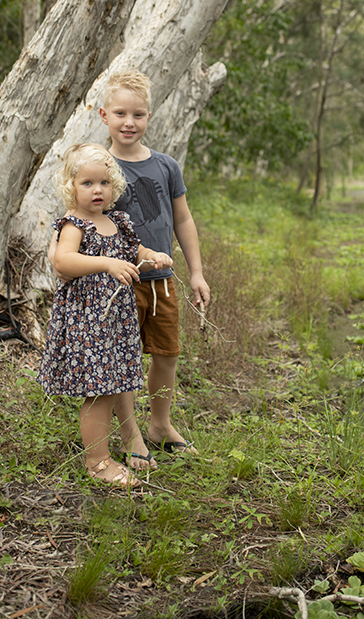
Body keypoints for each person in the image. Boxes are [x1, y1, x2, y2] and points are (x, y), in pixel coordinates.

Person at [37, 142, 172, 489]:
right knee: (98, 392)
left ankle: (106, 453)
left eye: (104, 183)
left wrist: (151, 254)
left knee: (111, 387)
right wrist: (105, 263)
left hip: (113, 323)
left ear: (114, 186)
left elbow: (133, 250)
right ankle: (97, 461)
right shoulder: (74, 224)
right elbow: (62, 261)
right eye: (87, 183)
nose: (97, 190)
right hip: (87, 322)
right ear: (71, 186)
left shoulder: (118, 220)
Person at [99, 69, 211, 467]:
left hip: (163, 281)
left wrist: (195, 272)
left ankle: (160, 425)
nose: (129, 123)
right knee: (125, 357)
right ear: (103, 116)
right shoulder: (101, 169)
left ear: (149, 116)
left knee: (166, 354)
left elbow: (183, 219)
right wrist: (136, 253)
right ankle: (131, 433)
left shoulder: (166, 166)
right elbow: (98, 225)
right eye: (120, 114)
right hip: (121, 283)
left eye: (138, 115)